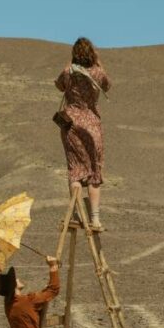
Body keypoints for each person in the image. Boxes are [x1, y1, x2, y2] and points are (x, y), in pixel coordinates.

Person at [54, 37, 112, 231]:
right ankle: (95, 218)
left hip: (71, 126)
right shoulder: (97, 73)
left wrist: (71, 63)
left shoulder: (68, 72)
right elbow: (107, 85)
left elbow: (59, 85)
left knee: (76, 171)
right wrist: (98, 60)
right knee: (94, 172)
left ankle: (78, 213)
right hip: (92, 126)